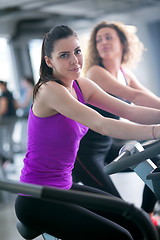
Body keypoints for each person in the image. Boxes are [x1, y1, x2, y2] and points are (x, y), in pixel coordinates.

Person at [15, 25, 160, 240]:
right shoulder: (49, 90)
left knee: (138, 221)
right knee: (119, 236)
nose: (74, 60)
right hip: (37, 198)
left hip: (64, 187)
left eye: (77, 51)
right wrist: (156, 132)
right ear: (49, 61)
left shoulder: (81, 85)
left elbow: (129, 109)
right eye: (64, 55)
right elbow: (101, 124)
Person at [72, 21, 160, 221]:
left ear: (123, 43)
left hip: (107, 146)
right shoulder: (96, 72)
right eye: (98, 39)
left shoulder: (124, 73)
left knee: (157, 165)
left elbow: (147, 97)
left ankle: (148, 215)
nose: (103, 42)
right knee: (119, 211)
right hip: (84, 153)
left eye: (108, 37)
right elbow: (135, 98)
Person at [0, 80, 17, 164]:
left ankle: (6, 157)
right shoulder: (10, 93)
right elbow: (16, 105)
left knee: (5, 137)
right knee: (10, 136)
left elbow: (3, 108)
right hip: (13, 116)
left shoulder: (4, 95)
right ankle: (11, 156)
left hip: (6, 119)